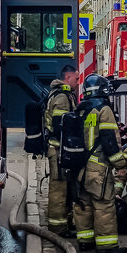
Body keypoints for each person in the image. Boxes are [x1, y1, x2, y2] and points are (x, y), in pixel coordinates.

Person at [73, 74, 127, 253]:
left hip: (79, 168)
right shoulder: (104, 110)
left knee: (83, 205)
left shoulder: (80, 108)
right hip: (98, 168)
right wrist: (120, 163)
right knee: (104, 205)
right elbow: (109, 141)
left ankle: (85, 241)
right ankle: (106, 245)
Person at [44, 65, 78, 234]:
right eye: (76, 79)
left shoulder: (63, 94)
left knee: (66, 187)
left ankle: (67, 222)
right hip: (57, 150)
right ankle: (57, 227)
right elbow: (60, 126)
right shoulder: (62, 97)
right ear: (67, 78)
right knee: (58, 189)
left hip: (60, 150)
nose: (78, 83)